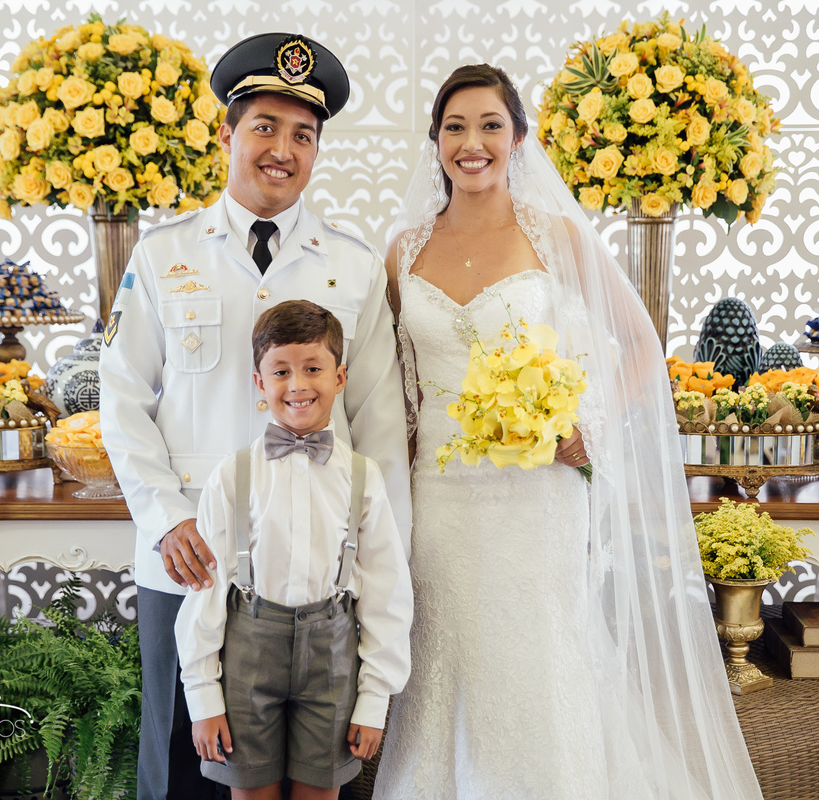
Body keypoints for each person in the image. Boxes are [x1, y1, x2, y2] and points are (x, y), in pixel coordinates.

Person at [371, 65, 763, 799]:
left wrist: (593, 429)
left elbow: (641, 347)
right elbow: (393, 386)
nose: (472, 142)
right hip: (440, 502)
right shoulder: (401, 250)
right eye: (454, 127)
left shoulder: (553, 236)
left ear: (518, 138)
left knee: (540, 660)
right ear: (436, 143)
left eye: (490, 124)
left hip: (538, 496)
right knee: (445, 660)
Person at [98, 33, 411, 800]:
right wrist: (166, 519)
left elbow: (377, 423)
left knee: (314, 771)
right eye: (265, 127)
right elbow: (122, 397)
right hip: (191, 559)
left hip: (312, 572)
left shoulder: (355, 266)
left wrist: (376, 557)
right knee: (181, 764)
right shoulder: (165, 254)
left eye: (303, 134)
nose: (283, 149)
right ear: (226, 133)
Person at [176, 300, 412, 800]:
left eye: (313, 369)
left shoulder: (364, 478)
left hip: (332, 654)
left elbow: (387, 591)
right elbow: (206, 590)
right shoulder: (232, 475)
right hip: (248, 652)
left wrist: (373, 700)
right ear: (260, 383)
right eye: (281, 371)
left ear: (340, 376)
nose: (298, 385)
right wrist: (202, 695)